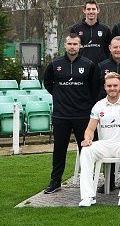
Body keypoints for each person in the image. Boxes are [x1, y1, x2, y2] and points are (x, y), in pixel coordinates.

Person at [42, 34, 96, 194]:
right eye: (69, 44)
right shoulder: (55, 64)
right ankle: (55, 181)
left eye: (75, 44)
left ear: (80, 46)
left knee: (85, 150)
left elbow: (93, 88)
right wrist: (60, 97)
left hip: (82, 115)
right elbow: (48, 84)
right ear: (64, 46)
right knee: (59, 149)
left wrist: (85, 103)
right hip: (61, 115)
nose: (72, 47)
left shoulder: (89, 65)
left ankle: (88, 181)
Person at [78, 72, 120, 207]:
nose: (112, 88)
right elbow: (90, 129)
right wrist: (88, 139)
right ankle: (88, 196)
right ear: (105, 87)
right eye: (109, 86)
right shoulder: (99, 106)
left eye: (115, 85)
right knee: (86, 151)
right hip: (104, 145)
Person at [69, 0, 111, 65]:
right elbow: (72, 49)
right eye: (88, 9)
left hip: (100, 67)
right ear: (84, 10)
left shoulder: (105, 29)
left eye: (93, 9)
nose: (91, 11)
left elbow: (109, 50)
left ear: (98, 10)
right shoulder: (75, 29)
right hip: (81, 66)